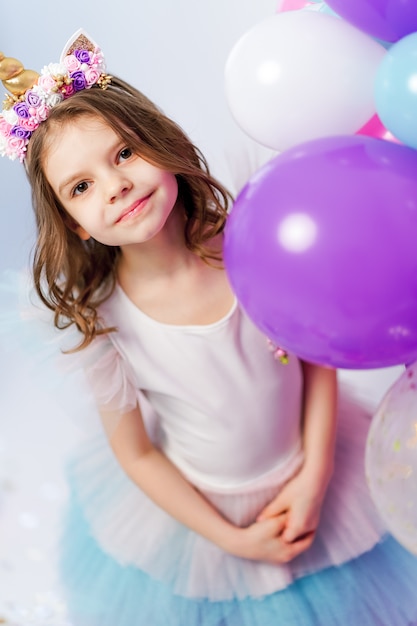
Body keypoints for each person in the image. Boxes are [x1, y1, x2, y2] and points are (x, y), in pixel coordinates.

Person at [1, 29, 417, 626]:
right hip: (209, 508)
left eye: (123, 153)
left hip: (311, 459)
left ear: (161, 143)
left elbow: (315, 351)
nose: (115, 185)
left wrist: (316, 474)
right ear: (75, 226)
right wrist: (232, 539)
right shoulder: (103, 326)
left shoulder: (253, 240)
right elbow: (139, 455)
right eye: (83, 187)